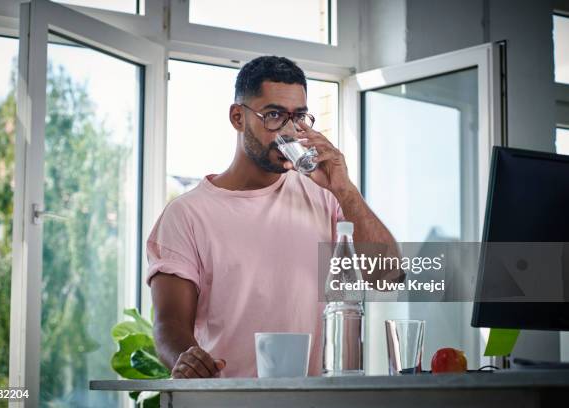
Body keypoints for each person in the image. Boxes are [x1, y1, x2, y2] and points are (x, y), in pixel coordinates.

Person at [147, 56, 399, 379]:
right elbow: (169, 325)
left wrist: (344, 189)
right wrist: (188, 360)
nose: (289, 130)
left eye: (298, 117)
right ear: (237, 117)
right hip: (232, 402)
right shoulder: (187, 214)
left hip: (315, 403)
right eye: (274, 115)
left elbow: (388, 275)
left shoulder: (326, 197)